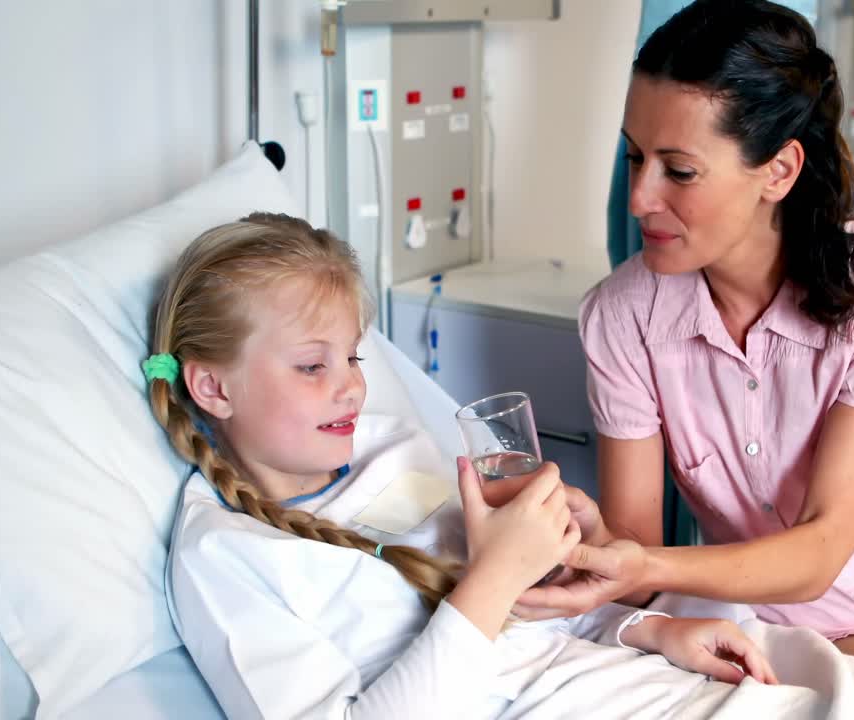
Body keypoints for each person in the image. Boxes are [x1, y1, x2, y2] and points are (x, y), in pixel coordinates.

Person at [516, 0, 854, 685]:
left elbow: (823, 544)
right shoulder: (622, 317)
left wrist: (639, 564)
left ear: (778, 172)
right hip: (811, 622)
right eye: (635, 157)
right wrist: (591, 540)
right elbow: (639, 558)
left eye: (679, 170)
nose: (638, 197)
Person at [143, 212, 776, 719]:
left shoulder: (391, 447)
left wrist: (650, 629)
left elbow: (527, 618)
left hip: (618, 674)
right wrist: (499, 571)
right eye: (313, 366)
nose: (351, 390)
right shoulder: (225, 555)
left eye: (354, 360)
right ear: (213, 389)